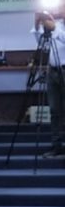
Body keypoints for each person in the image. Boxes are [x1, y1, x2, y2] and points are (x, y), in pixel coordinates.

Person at [33, 11, 65, 157]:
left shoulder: (56, 27)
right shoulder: (56, 25)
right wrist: (37, 23)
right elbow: (42, 42)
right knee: (54, 109)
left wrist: (54, 28)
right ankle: (56, 145)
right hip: (52, 71)